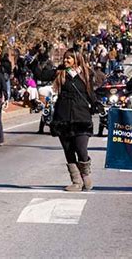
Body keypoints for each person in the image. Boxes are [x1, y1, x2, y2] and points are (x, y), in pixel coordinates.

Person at [31, 48, 95, 192]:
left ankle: (86, 175)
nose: (65, 61)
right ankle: (76, 181)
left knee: (81, 148)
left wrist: (97, 105)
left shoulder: (86, 73)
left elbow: (91, 93)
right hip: (63, 115)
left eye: (69, 59)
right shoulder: (60, 72)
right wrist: (34, 60)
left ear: (77, 59)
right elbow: (40, 74)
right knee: (68, 149)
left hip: (81, 116)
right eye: (65, 58)